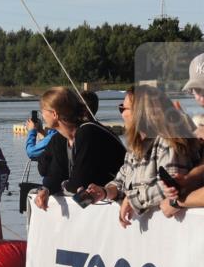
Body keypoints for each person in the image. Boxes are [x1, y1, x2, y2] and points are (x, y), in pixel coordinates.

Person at [86, 86, 202, 225]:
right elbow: (121, 180)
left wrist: (132, 199)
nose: (121, 114)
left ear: (141, 113)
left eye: (123, 108)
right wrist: (104, 191)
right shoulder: (136, 147)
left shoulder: (168, 142)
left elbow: (171, 187)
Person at [33, 88, 125, 210]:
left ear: (54, 114)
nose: (42, 116)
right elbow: (55, 174)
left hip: (120, 196)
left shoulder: (87, 132)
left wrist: (63, 185)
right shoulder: (60, 138)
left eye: (42, 112)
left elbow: (79, 182)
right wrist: (46, 190)